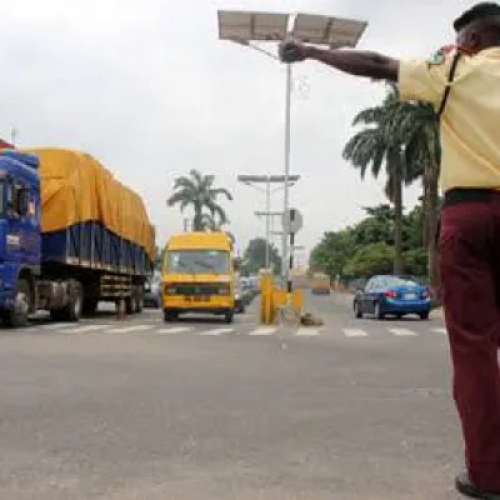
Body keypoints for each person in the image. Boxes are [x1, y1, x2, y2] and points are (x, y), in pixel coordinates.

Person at [278, 3, 500, 498]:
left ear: (472, 40)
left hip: (468, 218)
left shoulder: (454, 71)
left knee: (475, 352)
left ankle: (488, 474)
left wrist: (312, 51)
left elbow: (378, 65)